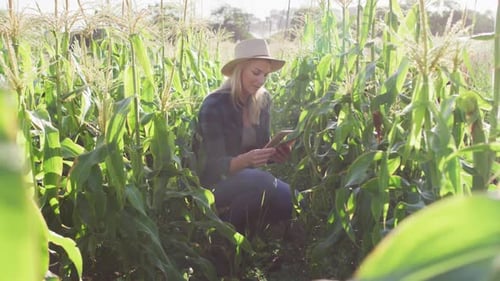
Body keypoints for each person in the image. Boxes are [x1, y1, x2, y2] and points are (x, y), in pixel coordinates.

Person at [197, 39, 293, 236]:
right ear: (238, 70)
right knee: (271, 187)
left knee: (264, 195)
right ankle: (226, 231)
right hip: (216, 183)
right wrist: (245, 160)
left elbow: (262, 149)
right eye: (256, 73)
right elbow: (213, 166)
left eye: (265, 75)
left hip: (250, 178)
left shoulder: (262, 101)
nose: (261, 81)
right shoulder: (214, 105)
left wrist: (275, 155)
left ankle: (230, 236)